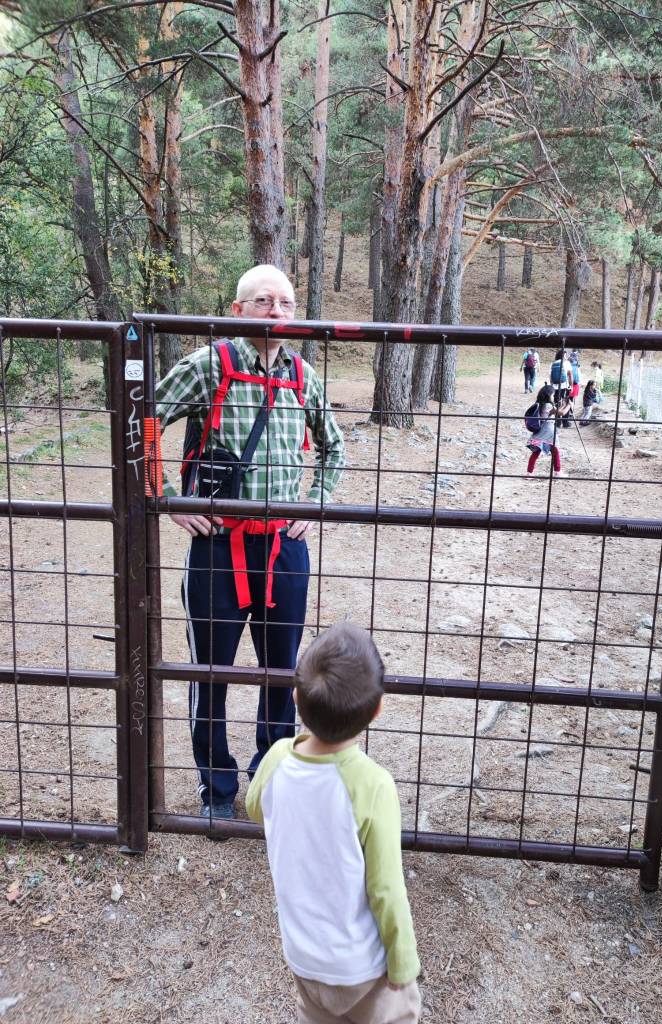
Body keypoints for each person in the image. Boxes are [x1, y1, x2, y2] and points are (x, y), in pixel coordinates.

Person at [155, 265, 346, 820]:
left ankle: (270, 779)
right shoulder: (208, 365)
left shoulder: (303, 375)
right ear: (237, 310)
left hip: (284, 549)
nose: (276, 312)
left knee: (282, 673)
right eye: (264, 301)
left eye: (286, 303)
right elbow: (140, 420)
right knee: (209, 674)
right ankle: (216, 789)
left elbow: (333, 446)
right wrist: (168, 498)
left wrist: (316, 501)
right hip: (218, 547)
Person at [246, 622, 421, 1024]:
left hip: (303, 956)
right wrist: (403, 960)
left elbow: (257, 809)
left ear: (295, 697)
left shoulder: (277, 759)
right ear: (377, 710)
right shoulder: (372, 785)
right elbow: (386, 887)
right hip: (362, 967)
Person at [525, 383, 567, 477]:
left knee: (536, 452)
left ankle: (529, 473)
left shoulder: (540, 404)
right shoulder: (548, 405)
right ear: (548, 395)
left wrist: (563, 405)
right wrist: (569, 405)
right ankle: (557, 472)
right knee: (555, 450)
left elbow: (555, 412)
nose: (553, 397)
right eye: (553, 395)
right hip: (549, 430)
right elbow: (562, 413)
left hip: (540, 429)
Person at [550, 348, 573, 428]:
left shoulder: (553, 363)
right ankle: (565, 423)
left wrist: (552, 386)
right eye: (566, 355)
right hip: (564, 386)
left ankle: (558, 422)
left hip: (555, 387)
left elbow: (550, 377)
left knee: (557, 403)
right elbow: (570, 375)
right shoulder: (566, 363)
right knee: (565, 402)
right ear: (563, 355)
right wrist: (571, 386)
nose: (566, 357)